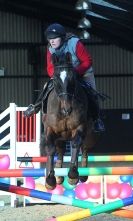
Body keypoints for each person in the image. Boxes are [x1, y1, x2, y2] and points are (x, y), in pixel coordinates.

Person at [24, 23, 105, 133]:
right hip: (61, 74)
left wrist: (75, 72)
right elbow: (50, 68)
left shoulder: (75, 43)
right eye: (49, 39)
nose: (51, 41)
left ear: (62, 38)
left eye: (54, 38)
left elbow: (87, 61)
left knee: (91, 92)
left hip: (82, 72)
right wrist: (58, 75)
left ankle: (96, 120)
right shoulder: (50, 48)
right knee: (46, 86)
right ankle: (36, 107)